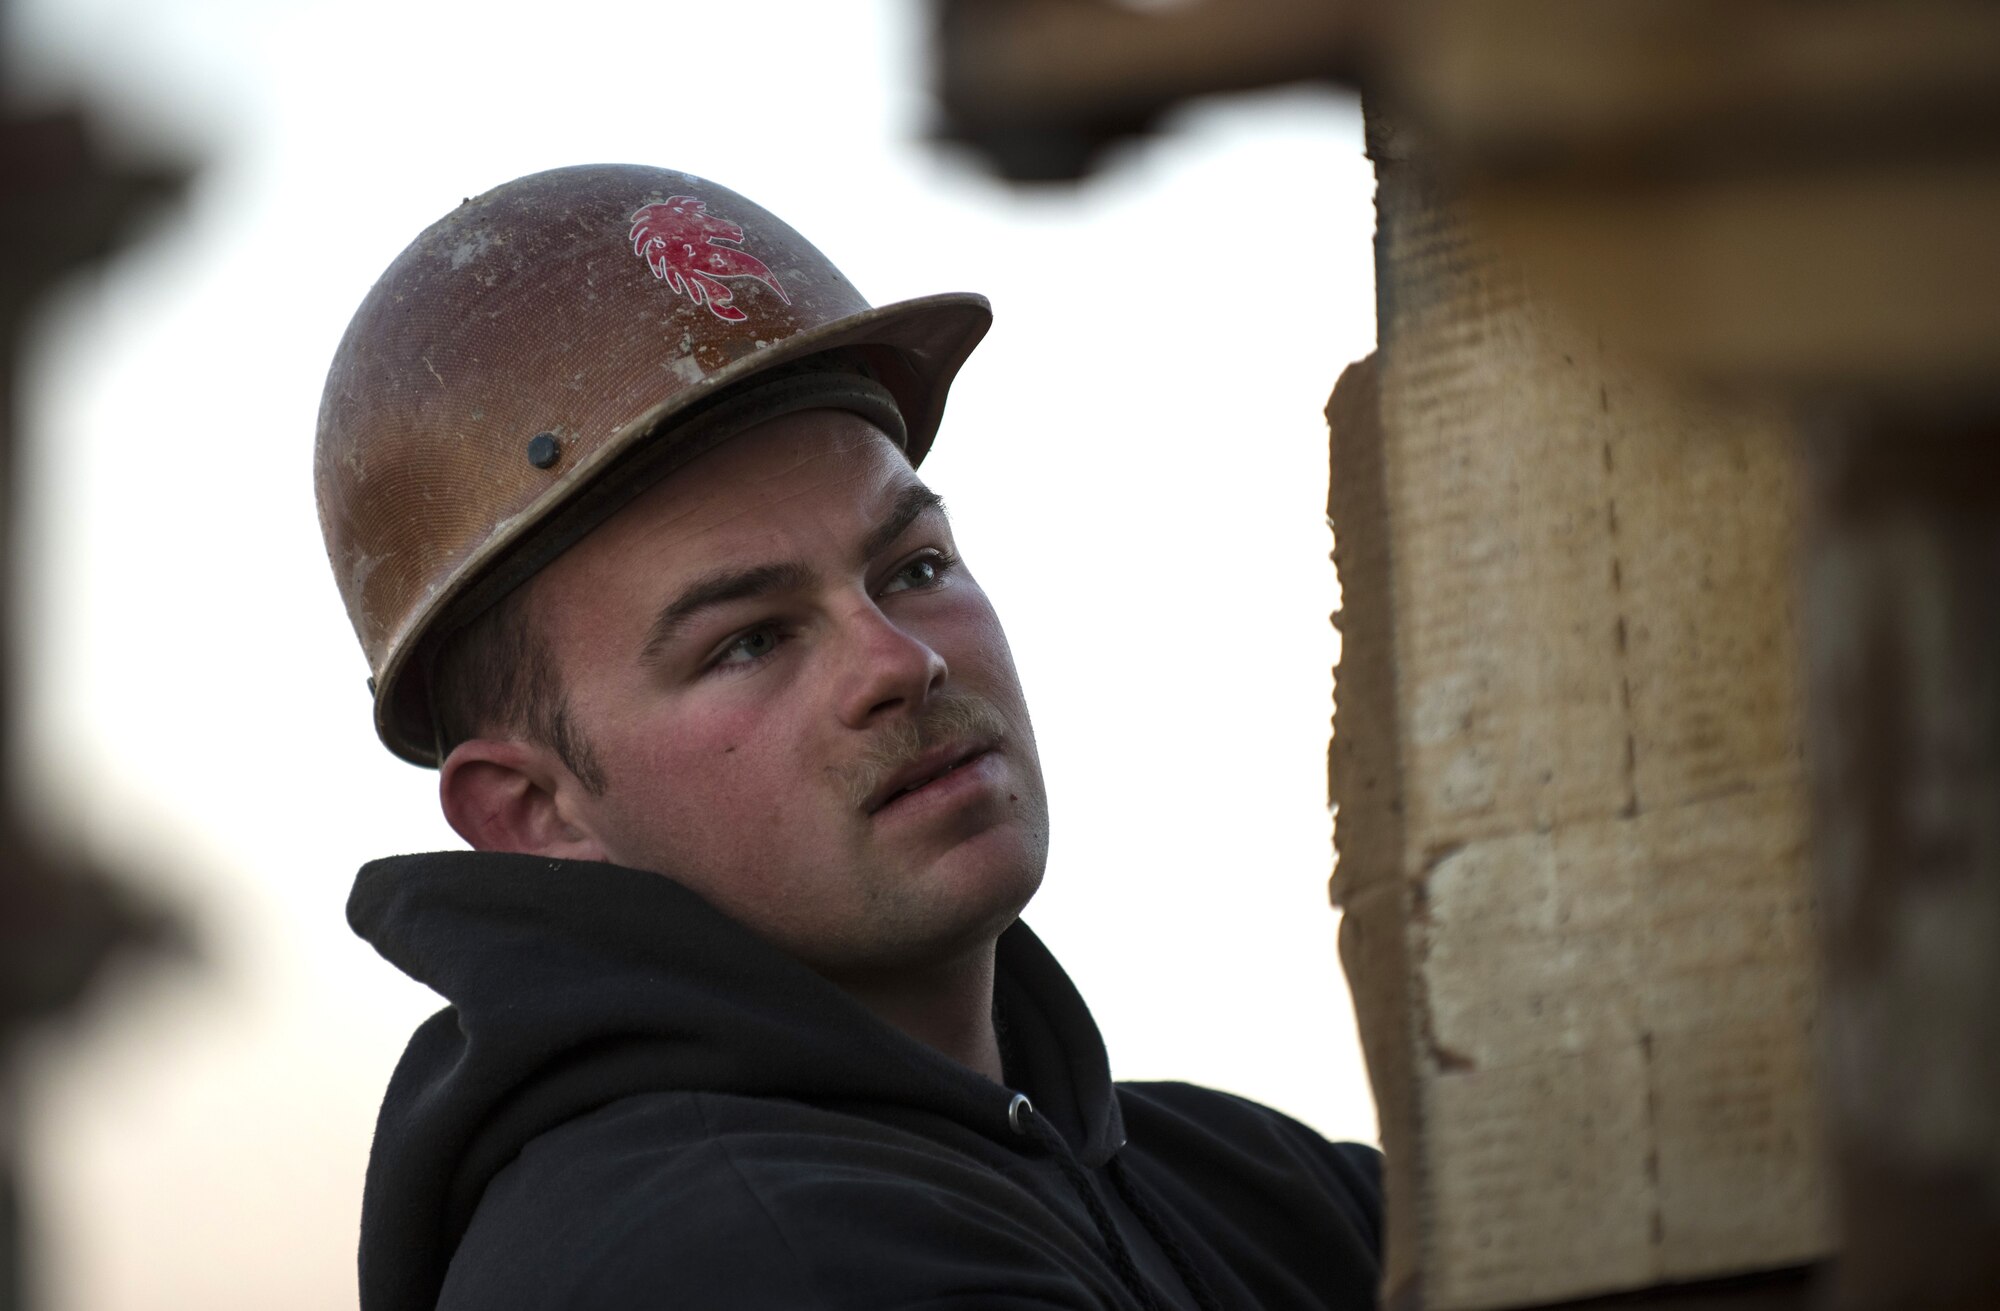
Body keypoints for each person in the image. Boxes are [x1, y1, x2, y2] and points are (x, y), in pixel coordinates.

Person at [316, 164, 1382, 1311]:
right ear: (537, 814)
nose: (898, 662)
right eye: (748, 642)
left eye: (913, 568)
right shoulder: (741, 1257)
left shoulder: (1234, 1188)